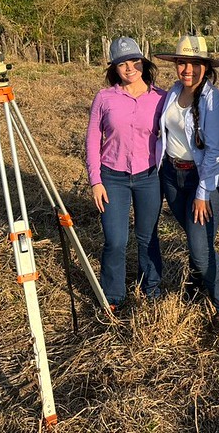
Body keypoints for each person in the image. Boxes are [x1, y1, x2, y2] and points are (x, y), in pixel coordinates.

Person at [154, 35, 219, 324]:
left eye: (194, 63)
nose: (187, 69)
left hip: (204, 180)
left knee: (202, 251)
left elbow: (215, 152)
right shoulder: (173, 92)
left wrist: (203, 193)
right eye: (181, 63)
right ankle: (196, 284)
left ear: (206, 66)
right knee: (195, 239)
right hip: (171, 174)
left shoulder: (214, 102)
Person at [85, 37, 166, 310]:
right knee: (116, 240)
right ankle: (113, 295)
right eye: (122, 64)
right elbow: (93, 140)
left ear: (143, 63)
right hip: (112, 177)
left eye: (134, 62)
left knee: (148, 236)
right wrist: (96, 181)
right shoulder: (104, 98)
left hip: (148, 177)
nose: (129, 68)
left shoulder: (161, 98)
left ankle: (151, 288)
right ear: (114, 69)